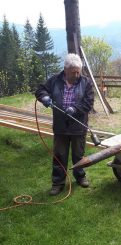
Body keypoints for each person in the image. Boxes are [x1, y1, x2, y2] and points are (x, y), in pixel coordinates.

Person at [35, 53, 94, 195]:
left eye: (78, 71)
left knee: (78, 155)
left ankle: (80, 177)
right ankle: (57, 183)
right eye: (73, 72)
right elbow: (40, 90)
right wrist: (45, 97)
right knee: (59, 155)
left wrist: (75, 109)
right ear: (65, 70)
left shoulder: (86, 82)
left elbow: (89, 102)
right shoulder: (54, 80)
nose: (77, 75)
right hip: (60, 126)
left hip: (78, 126)